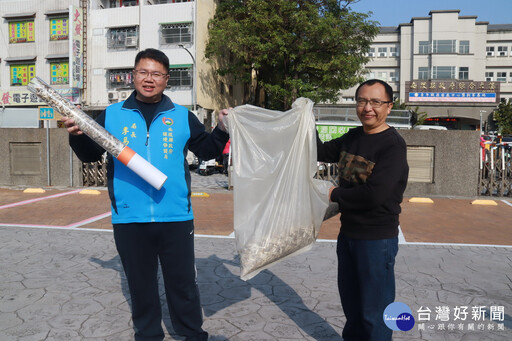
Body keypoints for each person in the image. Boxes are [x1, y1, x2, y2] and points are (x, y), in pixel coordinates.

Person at [63, 48, 229, 341]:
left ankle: (192, 334)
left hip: (176, 216)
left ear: (167, 79)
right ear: (134, 75)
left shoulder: (182, 116)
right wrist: (76, 136)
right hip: (129, 217)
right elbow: (90, 155)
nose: (148, 79)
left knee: (183, 284)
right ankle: (149, 334)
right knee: (140, 285)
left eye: (156, 74)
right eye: (143, 72)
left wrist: (223, 130)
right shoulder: (112, 115)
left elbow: (206, 150)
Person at [316, 79, 409, 341]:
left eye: (376, 102)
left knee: (374, 313)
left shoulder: (392, 145)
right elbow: (320, 150)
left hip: (377, 240)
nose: (368, 108)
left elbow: (375, 195)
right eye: (362, 101)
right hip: (349, 236)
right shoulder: (353, 137)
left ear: (388, 107)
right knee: (353, 308)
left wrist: (333, 193)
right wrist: (304, 119)